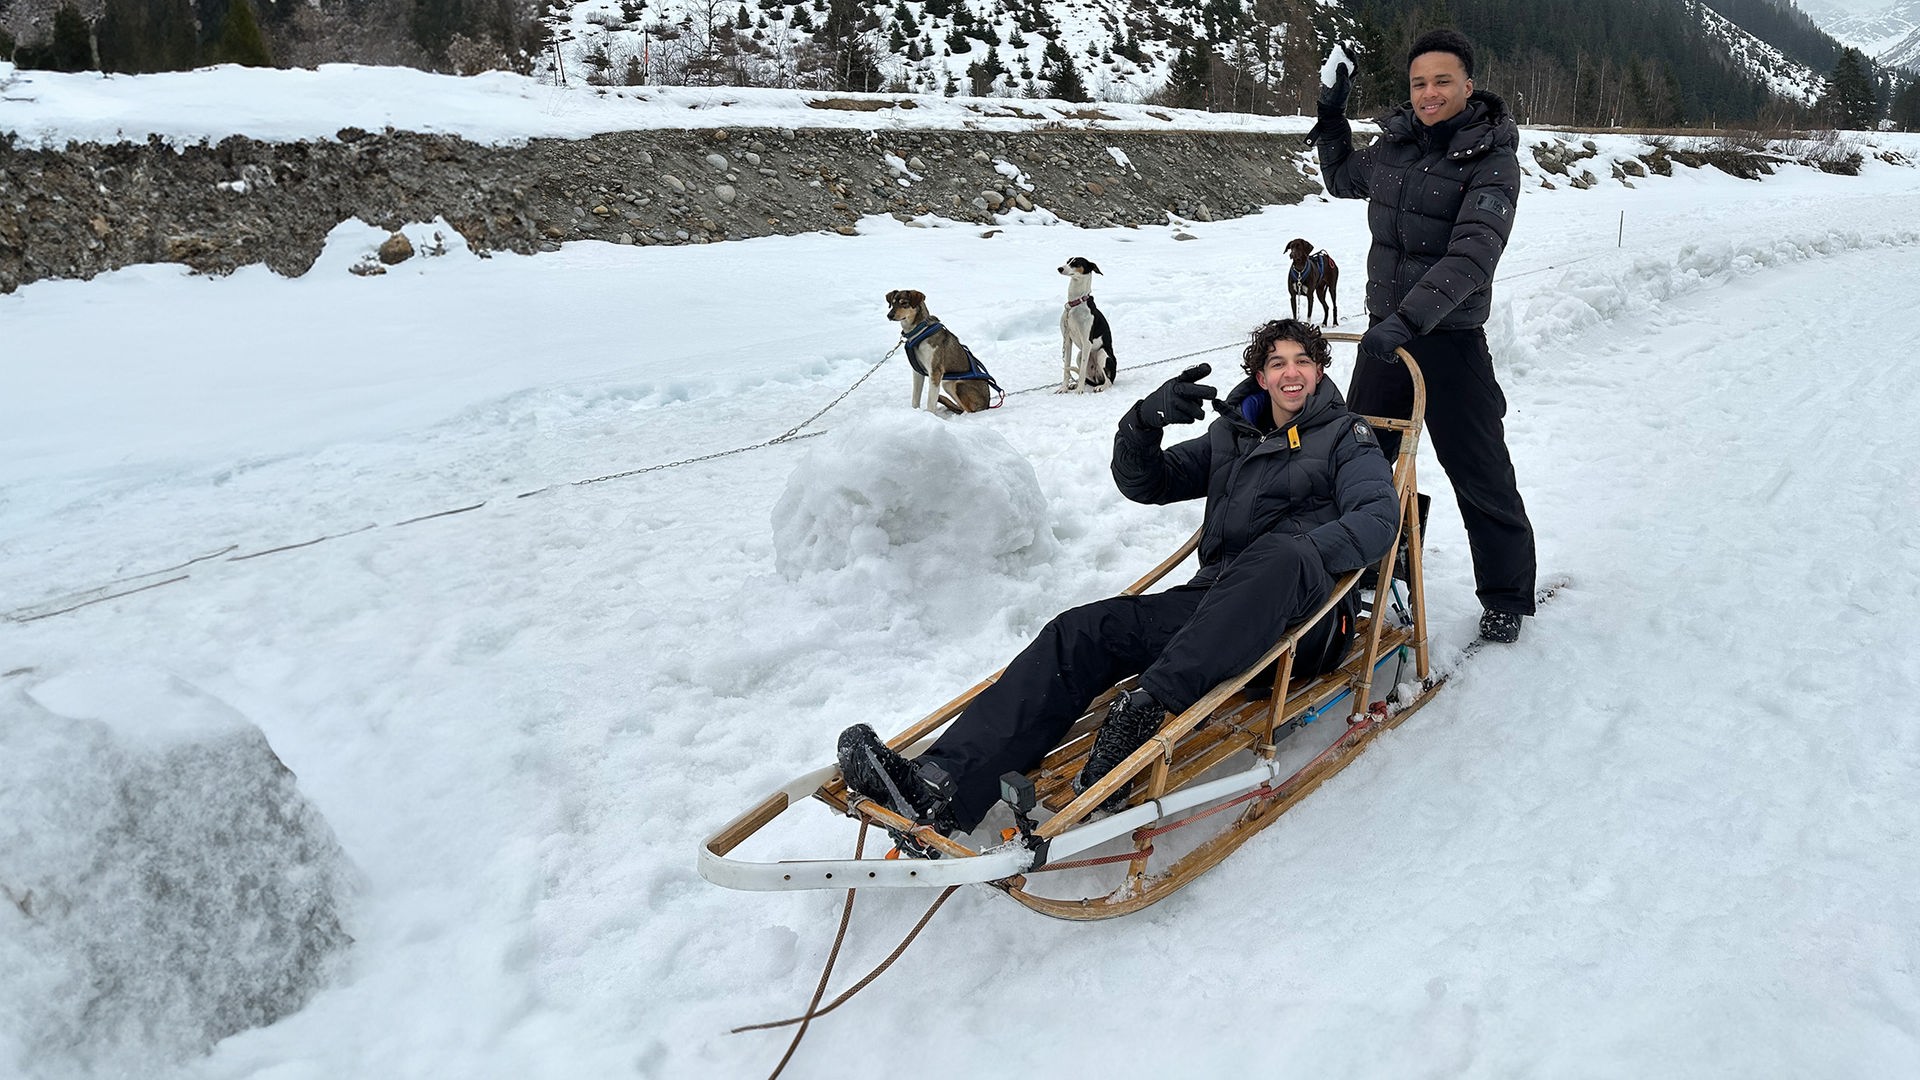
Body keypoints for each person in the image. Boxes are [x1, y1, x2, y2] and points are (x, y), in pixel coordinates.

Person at [837, 319, 1399, 835]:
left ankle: (1148, 709)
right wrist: (1141, 424)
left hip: (1304, 624)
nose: (1291, 372)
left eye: (1303, 360)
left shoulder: (1347, 437)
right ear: (1260, 374)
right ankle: (941, 786)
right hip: (1208, 613)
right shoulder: (1235, 437)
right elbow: (1148, 483)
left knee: (1280, 554)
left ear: (1321, 369)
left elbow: (1377, 521)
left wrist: (1295, 554)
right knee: (1081, 630)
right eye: (1277, 362)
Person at [1307, 28, 1538, 643]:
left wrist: (1407, 320)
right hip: (1388, 338)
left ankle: (1507, 594)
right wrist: (1331, 112)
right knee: (1358, 465)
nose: (1429, 93)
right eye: (1418, 83)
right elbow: (1340, 178)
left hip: (1449, 338)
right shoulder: (1396, 146)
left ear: (1469, 83)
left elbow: (1472, 256)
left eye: (1442, 81)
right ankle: (1374, 576)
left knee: (1479, 468)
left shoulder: (1492, 158)